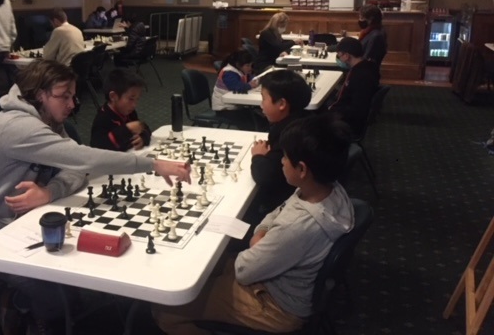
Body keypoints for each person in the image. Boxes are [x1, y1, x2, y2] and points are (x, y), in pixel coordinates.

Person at [0, 59, 189, 334]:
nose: (72, 104)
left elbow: (77, 168)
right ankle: (17, 308)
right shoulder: (18, 127)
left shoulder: (47, 119)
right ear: (40, 95)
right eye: (64, 96)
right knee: (56, 294)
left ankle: (27, 304)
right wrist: (153, 164)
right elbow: (85, 159)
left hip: (15, 221)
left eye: (73, 96)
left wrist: (50, 191)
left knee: (74, 272)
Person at [152, 113, 355, 335]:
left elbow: (244, 271)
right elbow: (277, 212)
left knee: (166, 311)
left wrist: (258, 241)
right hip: (279, 276)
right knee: (201, 266)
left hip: (276, 305)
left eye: (285, 157)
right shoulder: (327, 189)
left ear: (302, 169)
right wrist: (261, 234)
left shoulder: (297, 226)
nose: (281, 161)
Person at [250, 70, 312, 217]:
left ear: (282, 104)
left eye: (263, 98)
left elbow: (266, 176)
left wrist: (258, 156)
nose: (261, 105)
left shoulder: (289, 135)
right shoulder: (303, 119)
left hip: (285, 205)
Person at [328, 37, 379, 137]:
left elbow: (357, 108)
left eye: (339, 55)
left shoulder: (360, 75)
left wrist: (332, 109)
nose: (338, 58)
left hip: (349, 123)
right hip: (349, 114)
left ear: (346, 56)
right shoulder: (368, 66)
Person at [90, 69, 151, 151]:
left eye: (137, 99)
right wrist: (127, 129)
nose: (134, 105)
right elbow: (99, 148)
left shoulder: (129, 112)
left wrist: (143, 138)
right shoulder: (102, 119)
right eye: (131, 99)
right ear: (113, 96)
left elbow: (144, 128)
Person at [211, 49, 259, 130]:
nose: (250, 68)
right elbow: (237, 87)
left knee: (257, 117)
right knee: (249, 123)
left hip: (234, 105)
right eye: (247, 65)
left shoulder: (241, 70)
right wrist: (250, 85)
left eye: (251, 65)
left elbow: (249, 78)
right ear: (238, 65)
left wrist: (253, 81)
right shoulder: (228, 73)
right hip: (224, 108)